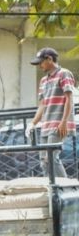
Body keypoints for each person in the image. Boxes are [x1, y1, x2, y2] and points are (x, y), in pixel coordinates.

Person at [31, 47, 76, 178]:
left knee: (52, 158)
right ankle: (51, 190)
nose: (39, 65)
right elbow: (42, 105)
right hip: (46, 125)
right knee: (43, 161)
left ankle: (66, 190)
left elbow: (69, 99)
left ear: (49, 59)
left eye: (41, 62)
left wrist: (64, 122)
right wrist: (32, 124)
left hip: (58, 124)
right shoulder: (43, 81)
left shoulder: (64, 74)